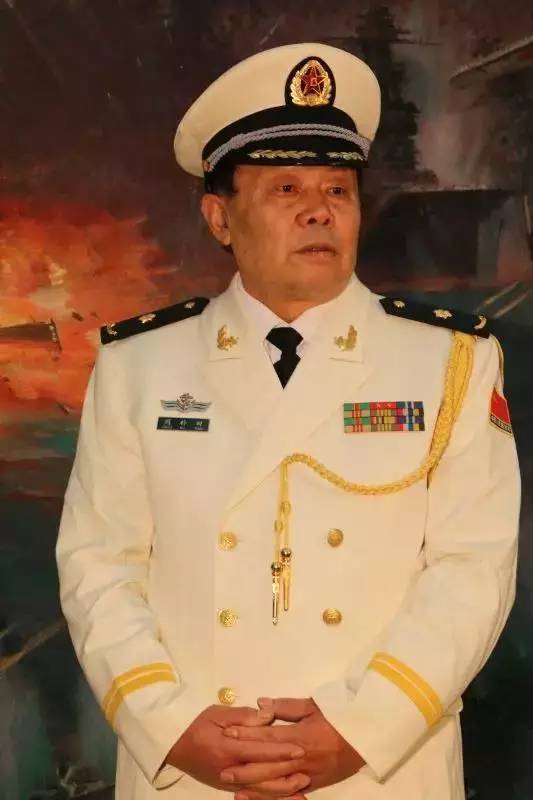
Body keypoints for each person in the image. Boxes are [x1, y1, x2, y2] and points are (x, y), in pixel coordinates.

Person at [56, 42, 520, 800]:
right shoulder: (141, 365)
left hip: (380, 767)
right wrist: (171, 727)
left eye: (338, 189)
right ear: (219, 217)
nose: (318, 210)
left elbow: (473, 570)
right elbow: (98, 565)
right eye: (285, 188)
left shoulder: (449, 362)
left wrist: (360, 729)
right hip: (194, 767)